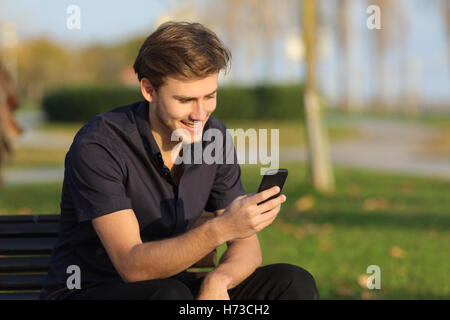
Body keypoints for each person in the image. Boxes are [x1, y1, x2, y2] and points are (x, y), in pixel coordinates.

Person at [40, 21, 319, 300]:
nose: (200, 114)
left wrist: (218, 280)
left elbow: (246, 246)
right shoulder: (99, 145)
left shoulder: (213, 137)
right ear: (149, 90)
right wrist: (221, 229)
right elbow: (131, 266)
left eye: (210, 96)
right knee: (170, 295)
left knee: (292, 281)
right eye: (185, 100)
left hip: (174, 289)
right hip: (91, 291)